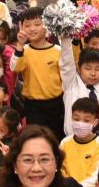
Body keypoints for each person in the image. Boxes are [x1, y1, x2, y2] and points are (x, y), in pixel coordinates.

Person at [12, 7, 65, 140]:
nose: (32, 29)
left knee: (55, 139)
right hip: (33, 106)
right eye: (27, 25)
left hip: (56, 104)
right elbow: (15, 67)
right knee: (36, 139)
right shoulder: (23, 50)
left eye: (37, 24)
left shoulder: (58, 51)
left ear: (46, 26)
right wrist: (19, 45)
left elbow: (65, 77)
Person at [59, 29, 99, 150]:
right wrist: (65, 37)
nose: (93, 73)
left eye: (98, 69)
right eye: (88, 68)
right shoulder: (71, 86)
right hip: (75, 147)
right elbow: (66, 64)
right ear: (79, 68)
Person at [60, 97, 99, 187]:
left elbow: (96, 175)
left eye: (86, 120)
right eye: (76, 119)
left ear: (95, 123)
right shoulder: (64, 143)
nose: (80, 124)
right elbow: (60, 168)